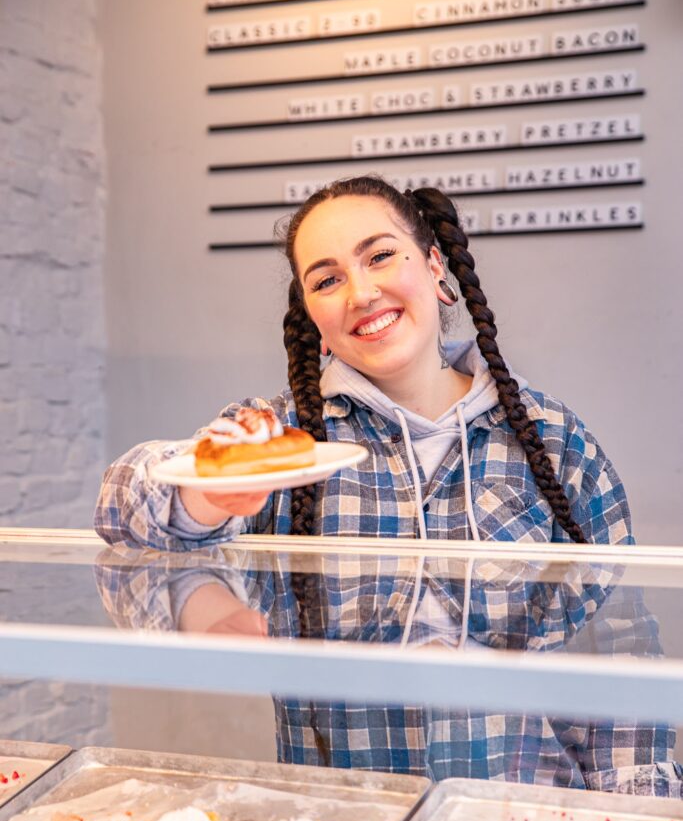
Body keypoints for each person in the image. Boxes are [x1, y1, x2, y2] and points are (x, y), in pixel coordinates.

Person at [95, 175, 632, 550]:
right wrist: (205, 495)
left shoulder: (552, 435)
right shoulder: (275, 442)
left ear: (434, 266)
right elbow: (119, 506)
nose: (362, 293)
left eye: (380, 256)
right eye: (327, 280)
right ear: (312, 315)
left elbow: (619, 632)